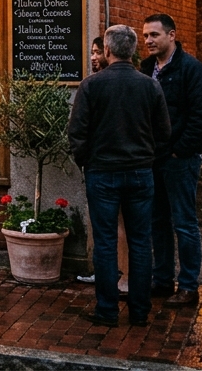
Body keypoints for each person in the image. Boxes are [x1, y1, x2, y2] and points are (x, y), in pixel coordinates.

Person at [68, 24, 171, 328]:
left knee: (105, 243)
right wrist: (147, 157)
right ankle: (140, 311)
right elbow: (164, 133)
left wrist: (86, 162)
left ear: (109, 51)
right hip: (140, 172)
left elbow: (77, 133)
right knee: (141, 242)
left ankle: (107, 309)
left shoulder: (92, 85)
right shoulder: (150, 86)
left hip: (102, 173)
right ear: (134, 50)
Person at [140, 13, 202, 308]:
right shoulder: (146, 69)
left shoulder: (191, 69)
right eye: (145, 36)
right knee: (157, 221)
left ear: (172, 35)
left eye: (154, 35)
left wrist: (180, 150)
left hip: (179, 158)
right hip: (153, 156)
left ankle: (188, 286)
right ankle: (162, 280)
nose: (148, 41)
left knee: (184, 222)